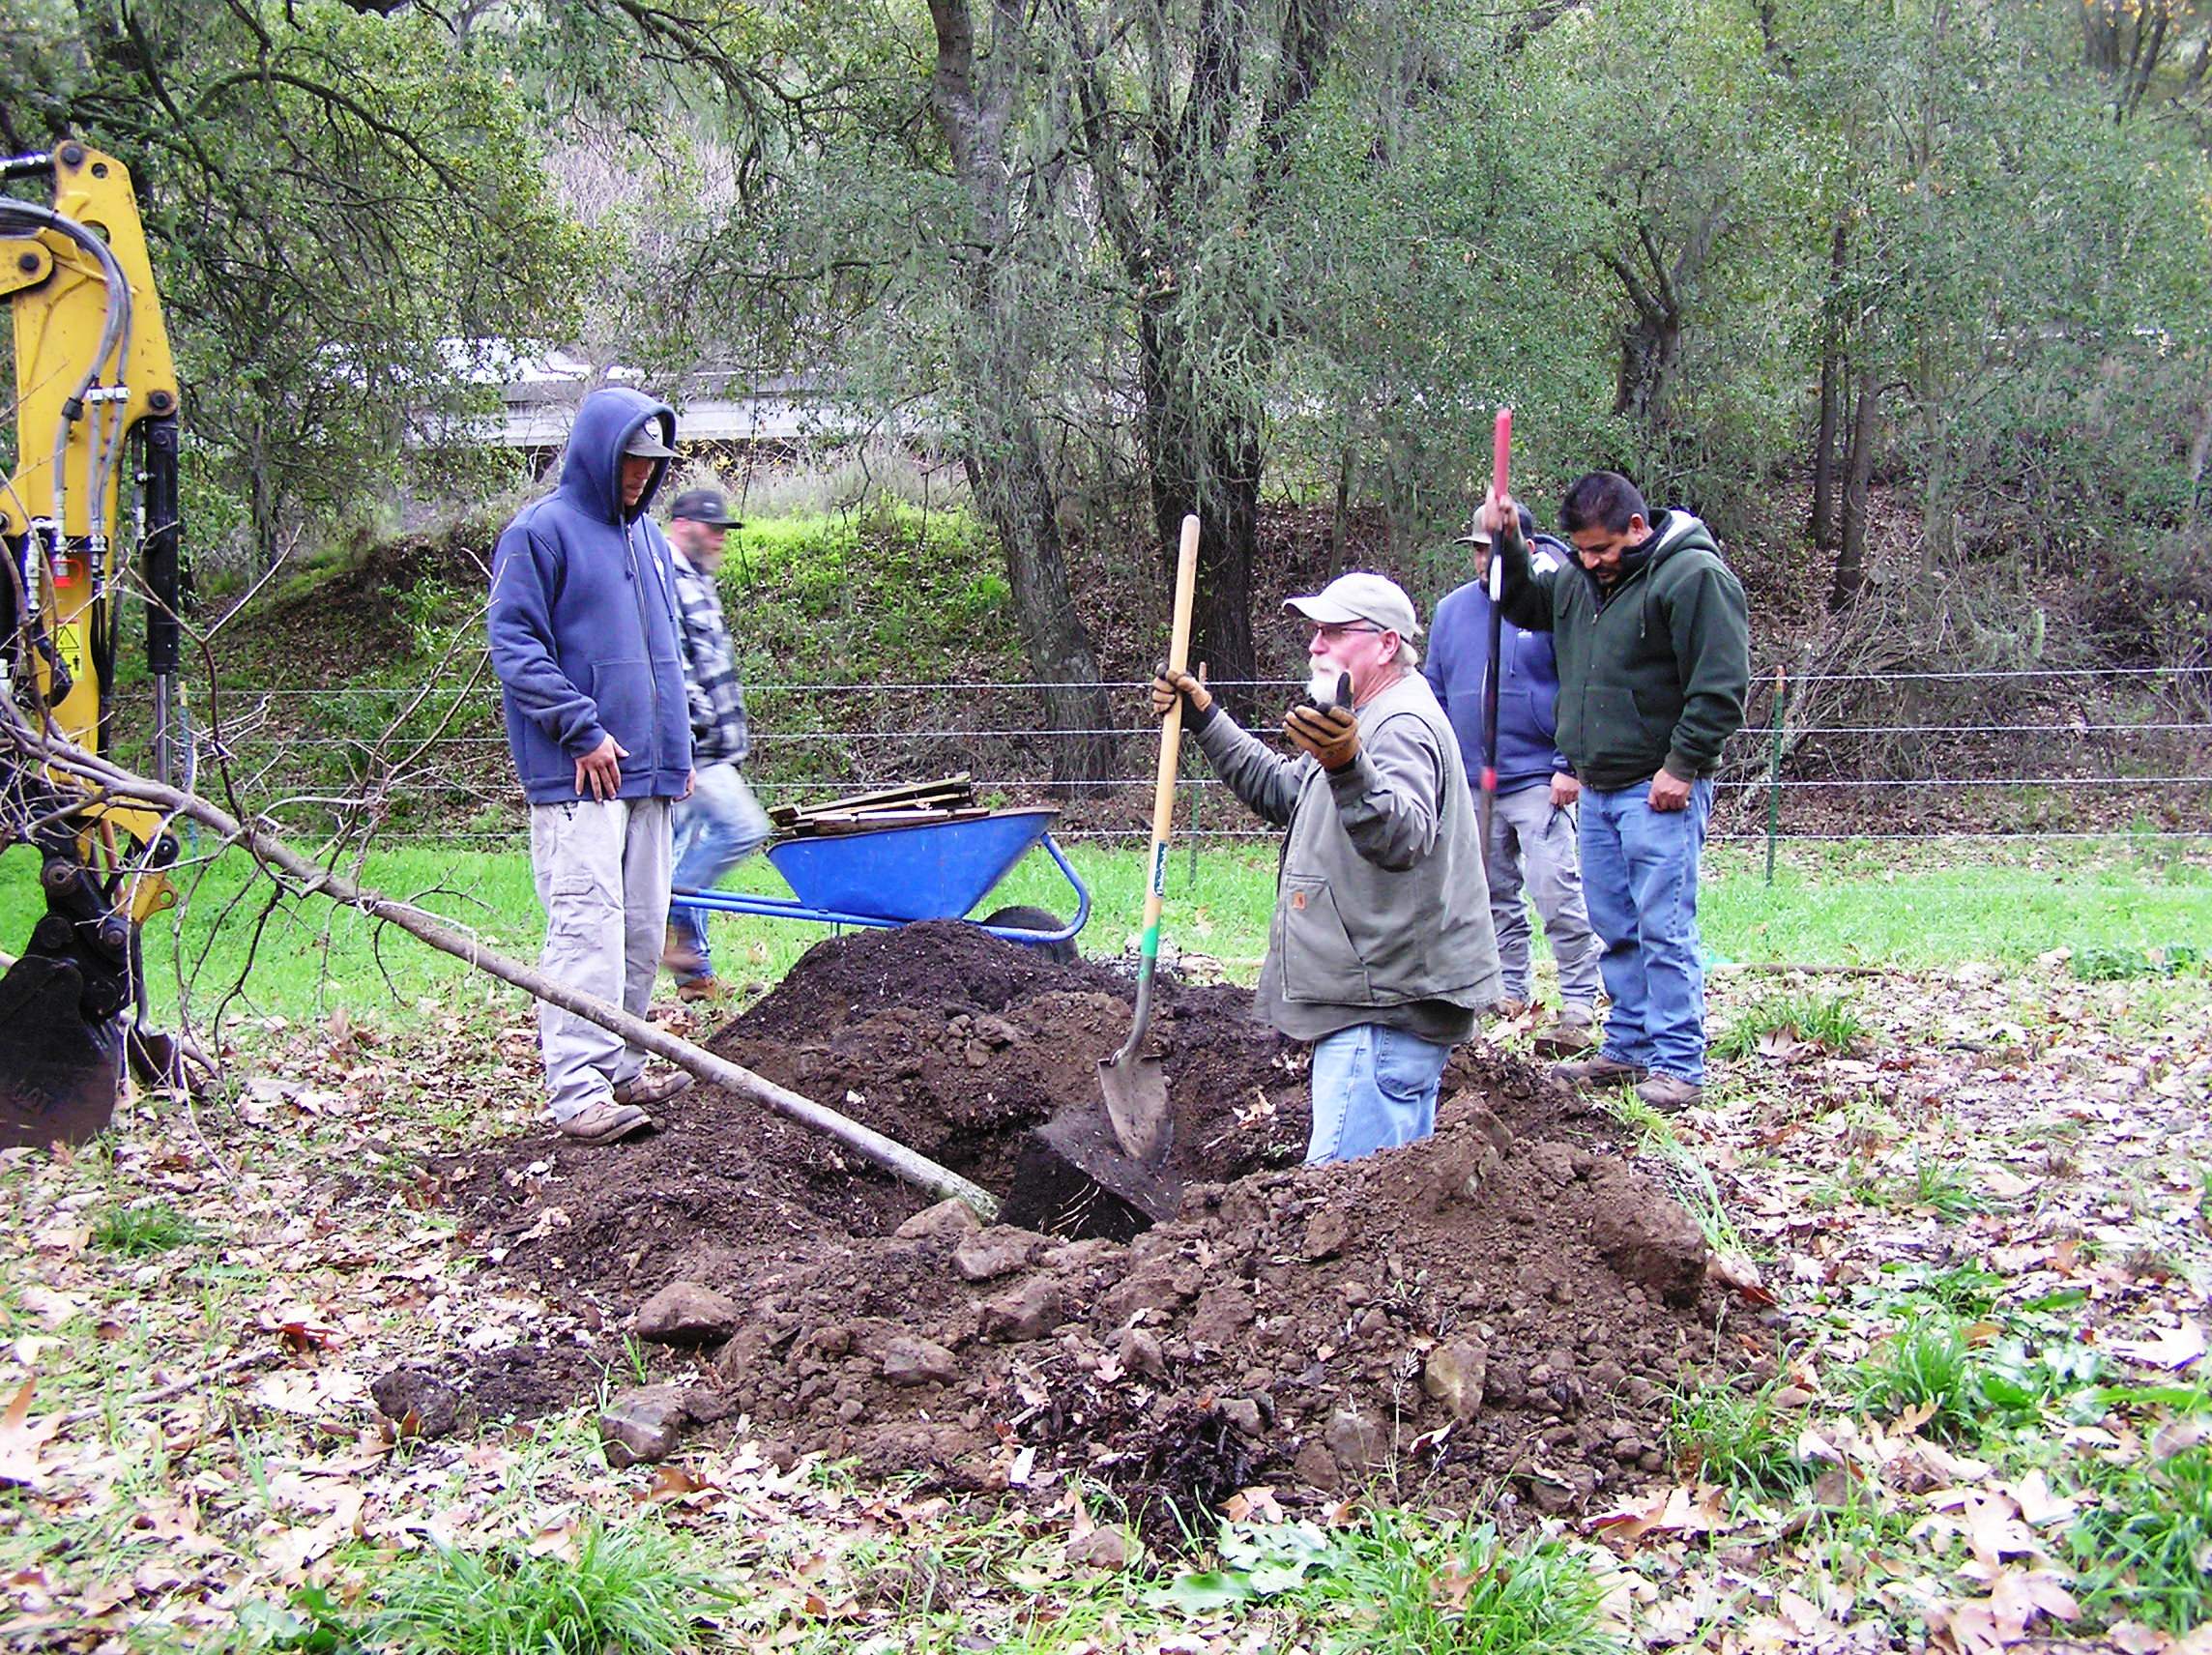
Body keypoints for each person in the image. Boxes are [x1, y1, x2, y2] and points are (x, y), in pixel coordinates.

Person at [1152, 572, 1501, 1164]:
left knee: (1346, 1201)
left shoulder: (1400, 725)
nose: (1315, 645)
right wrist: (1207, 719)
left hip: (1383, 1011)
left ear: (1388, 644)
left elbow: (1404, 835)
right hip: (1378, 1002)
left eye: (1335, 632)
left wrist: (1349, 768)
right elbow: (1285, 791)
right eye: (1315, 631)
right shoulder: (1360, 716)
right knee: (1385, 1197)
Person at [1483, 471, 1749, 1112]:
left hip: (1657, 791)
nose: (1593, 563)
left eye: (1603, 550)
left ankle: (1679, 1063)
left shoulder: (1694, 578)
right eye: (1581, 551)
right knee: (1614, 926)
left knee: (1664, 926)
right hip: (1596, 787)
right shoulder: (1578, 580)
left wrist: (1682, 766)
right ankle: (1628, 1048)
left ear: (1637, 528)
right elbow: (1520, 604)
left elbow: (1720, 685)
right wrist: (1511, 543)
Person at [487, 387, 698, 1146]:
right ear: (597, 453)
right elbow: (513, 645)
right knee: (587, 932)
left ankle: (622, 1066)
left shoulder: (645, 541)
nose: (641, 476)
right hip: (580, 778)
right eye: (631, 461)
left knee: (641, 930)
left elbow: (664, 654)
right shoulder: (539, 534)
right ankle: (576, 1092)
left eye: (652, 464)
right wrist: (581, 731)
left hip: (649, 777)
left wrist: (679, 751)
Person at [1425, 503, 1604, 1052]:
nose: (1484, 558)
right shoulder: (1452, 611)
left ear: (1522, 544)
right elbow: (1433, 688)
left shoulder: (1549, 603)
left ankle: (1578, 999)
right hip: (1473, 781)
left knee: (1556, 891)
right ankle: (1509, 990)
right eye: (1478, 548)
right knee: (1490, 891)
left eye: (1493, 546)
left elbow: (1582, 684)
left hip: (1537, 778)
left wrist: (1567, 764)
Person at [660, 485, 773, 1003]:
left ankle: (693, 976)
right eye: (713, 529)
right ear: (683, 525)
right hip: (694, 750)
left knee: (679, 853)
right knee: (746, 828)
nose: (721, 540)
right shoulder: (666, 579)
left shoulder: (696, 580)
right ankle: (668, 911)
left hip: (705, 748)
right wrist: (695, 733)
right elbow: (674, 666)